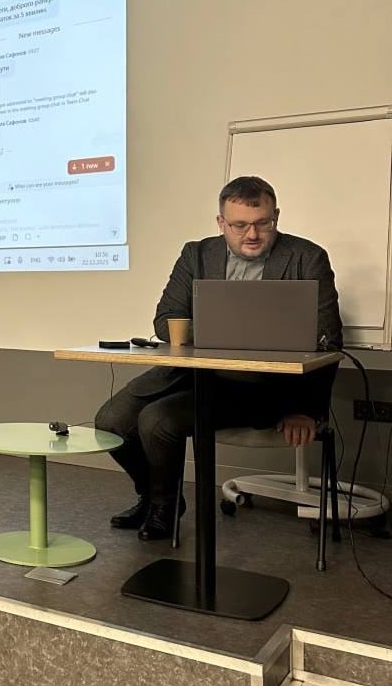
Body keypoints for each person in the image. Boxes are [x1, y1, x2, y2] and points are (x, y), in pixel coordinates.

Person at [95, 176, 342, 541]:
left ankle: (163, 510)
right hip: (192, 375)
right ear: (221, 223)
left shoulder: (307, 257)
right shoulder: (196, 254)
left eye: (262, 223)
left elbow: (329, 340)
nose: (252, 234)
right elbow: (166, 320)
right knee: (110, 421)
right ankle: (152, 496)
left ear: (276, 217)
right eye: (240, 225)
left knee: (157, 420)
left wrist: (306, 409)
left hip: (264, 388)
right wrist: (224, 332)